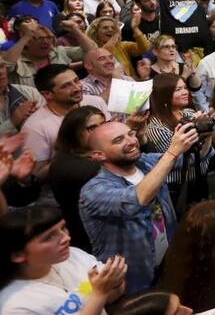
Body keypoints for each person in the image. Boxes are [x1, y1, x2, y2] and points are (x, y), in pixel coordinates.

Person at [80, 120, 199, 294]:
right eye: (118, 140)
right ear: (99, 155)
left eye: (131, 134)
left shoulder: (145, 162)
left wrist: (204, 135)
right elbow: (138, 199)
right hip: (132, 283)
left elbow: (188, 158)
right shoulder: (93, 190)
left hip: (167, 265)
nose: (131, 141)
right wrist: (172, 151)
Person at [0, 206, 128, 315]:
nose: (66, 238)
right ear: (18, 255)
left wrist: (114, 283)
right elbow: (101, 293)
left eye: (63, 228)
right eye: (49, 236)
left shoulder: (73, 254)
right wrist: (99, 293)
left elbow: (117, 291)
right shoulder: (15, 306)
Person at [143, 74, 215, 213]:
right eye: (178, 89)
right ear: (163, 94)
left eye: (185, 87)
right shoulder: (156, 127)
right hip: (176, 188)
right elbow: (179, 161)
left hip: (200, 181)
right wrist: (203, 138)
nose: (185, 92)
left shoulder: (189, 113)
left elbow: (213, 146)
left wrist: (212, 127)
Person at [21, 64, 110, 180]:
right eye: (66, 86)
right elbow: (37, 175)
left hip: (110, 174)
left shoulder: (95, 102)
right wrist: (71, 152)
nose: (77, 88)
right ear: (47, 94)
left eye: (76, 81)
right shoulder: (35, 127)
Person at [47, 106, 107, 252]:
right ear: (74, 134)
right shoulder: (75, 167)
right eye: (92, 128)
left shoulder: (88, 155)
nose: (101, 131)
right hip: (92, 239)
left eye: (104, 124)